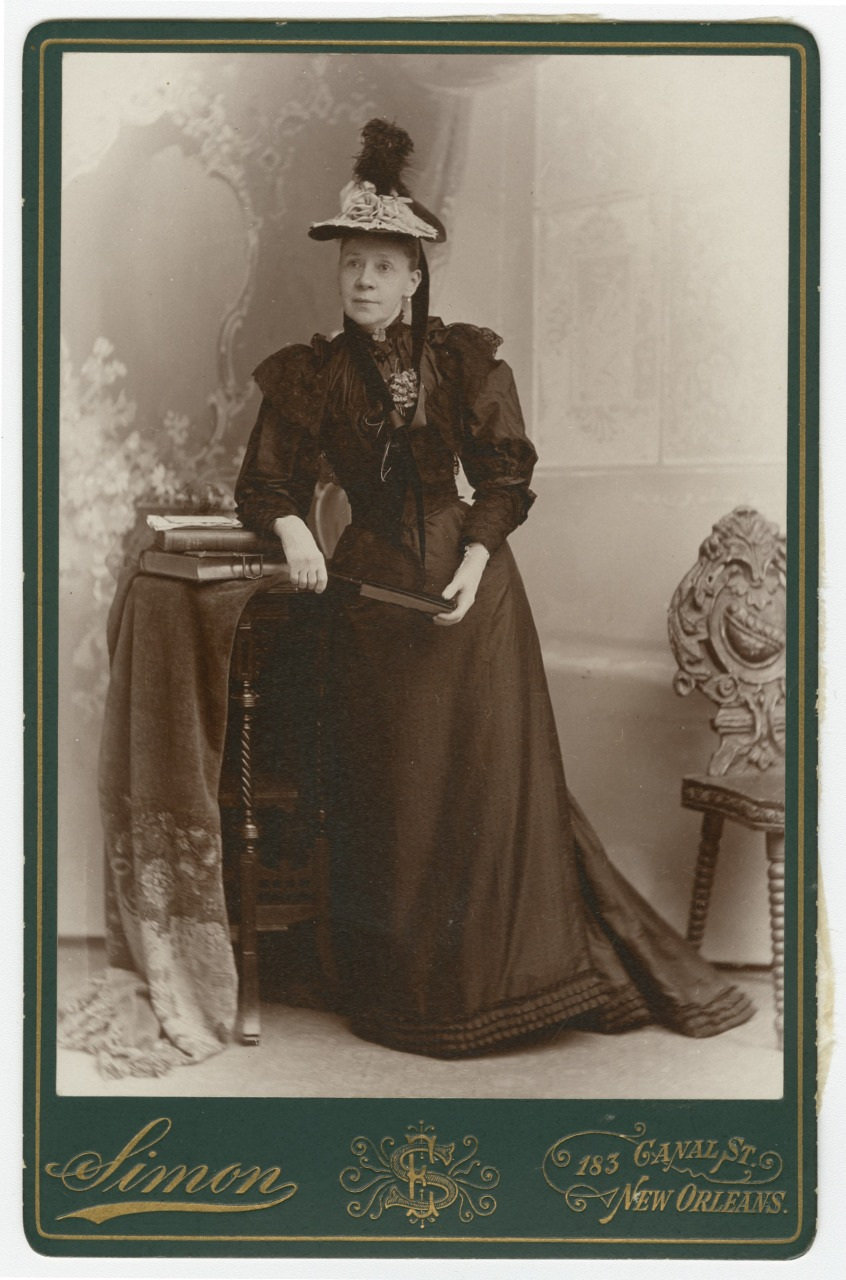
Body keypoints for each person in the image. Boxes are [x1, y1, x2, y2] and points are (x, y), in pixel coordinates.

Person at [235, 119, 754, 1058]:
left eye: (383, 265)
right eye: (353, 263)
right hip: (370, 605)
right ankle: (400, 985)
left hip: (473, 603)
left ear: (415, 274)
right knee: (395, 788)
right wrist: (293, 531)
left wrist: (474, 563)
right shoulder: (307, 376)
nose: (363, 281)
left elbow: (506, 477)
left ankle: (502, 982)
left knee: (476, 786)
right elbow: (265, 482)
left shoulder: (466, 362)